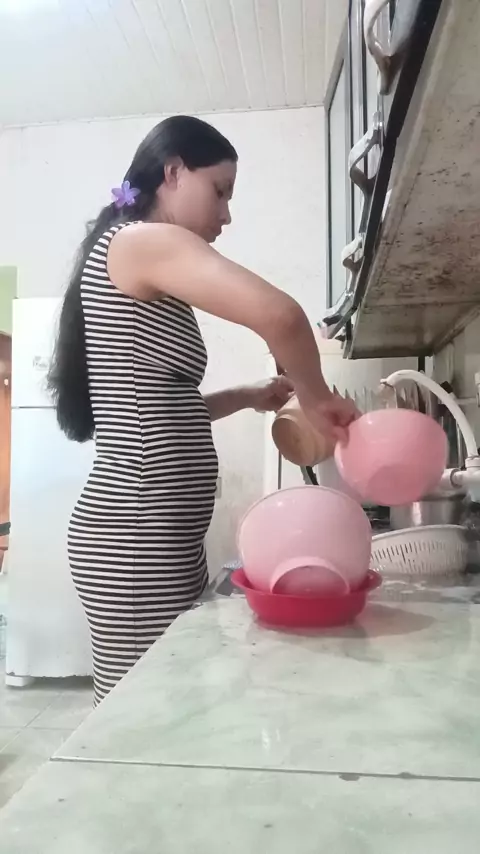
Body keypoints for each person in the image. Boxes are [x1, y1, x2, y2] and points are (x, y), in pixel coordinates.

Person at [48, 115, 357, 706]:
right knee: (143, 711)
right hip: (135, 536)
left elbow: (154, 407)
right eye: (220, 191)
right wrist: (318, 400)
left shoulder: (136, 254)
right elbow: (283, 317)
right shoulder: (141, 241)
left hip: (157, 532)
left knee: (167, 701)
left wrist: (249, 395)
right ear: (173, 173)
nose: (226, 214)